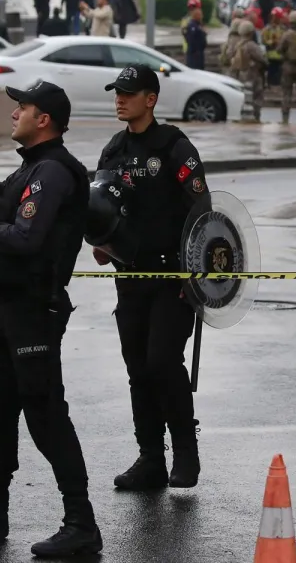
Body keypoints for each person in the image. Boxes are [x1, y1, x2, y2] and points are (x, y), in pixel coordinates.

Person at [0, 81, 102, 558]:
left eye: (22, 107)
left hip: (35, 308)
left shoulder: (54, 171)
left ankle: (81, 524)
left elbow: (27, 238)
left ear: (43, 119)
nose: (14, 114)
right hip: (12, 308)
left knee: (46, 415)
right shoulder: (34, 167)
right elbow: (12, 197)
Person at [93, 64, 211, 491]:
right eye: (117, 93)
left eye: (128, 93)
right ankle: (150, 459)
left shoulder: (174, 146)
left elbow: (203, 211)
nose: (120, 99)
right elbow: (102, 208)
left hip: (172, 278)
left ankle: (186, 453)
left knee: (162, 362)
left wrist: (196, 276)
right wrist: (102, 241)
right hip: (129, 277)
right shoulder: (113, 150)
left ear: (151, 99)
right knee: (138, 368)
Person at [233, 19, 267, 122]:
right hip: (253, 74)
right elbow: (262, 59)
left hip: (241, 74)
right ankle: (256, 117)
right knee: (257, 97)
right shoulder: (251, 45)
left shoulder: (238, 44)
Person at [262, 7, 286, 87]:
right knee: (272, 74)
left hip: (281, 56)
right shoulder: (267, 28)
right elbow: (264, 40)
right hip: (271, 57)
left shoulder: (283, 28)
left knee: (280, 75)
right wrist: (272, 42)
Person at [183, 0, 207, 70]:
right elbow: (192, 39)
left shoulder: (198, 24)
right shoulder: (192, 24)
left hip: (195, 53)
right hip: (194, 54)